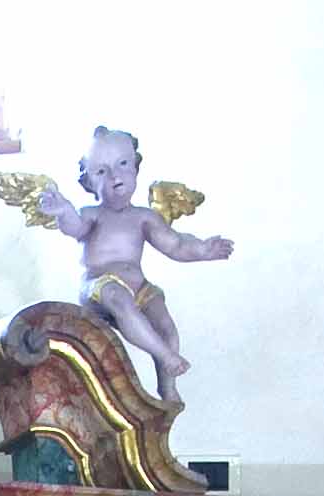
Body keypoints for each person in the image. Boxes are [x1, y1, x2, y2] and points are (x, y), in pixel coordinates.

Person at [16, 124, 232, 398]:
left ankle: (167, 385)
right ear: (89, 183)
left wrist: (202, 250)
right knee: (118, 297)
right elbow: (75, 228)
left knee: (165, 326)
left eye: (122, 164)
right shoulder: (92, 214)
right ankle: (166, 357)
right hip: (99, 287)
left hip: (138, 287)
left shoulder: (144, 217)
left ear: (135, 168)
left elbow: (175, 244)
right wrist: (63, 211)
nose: (114, 176)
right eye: (101, 171)